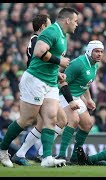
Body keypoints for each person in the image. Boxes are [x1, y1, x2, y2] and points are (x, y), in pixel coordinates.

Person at [0, 7, 79, 168]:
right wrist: (60, 62)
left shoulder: (63, 36)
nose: (77, 25)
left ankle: (47, 158)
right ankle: (2, 150)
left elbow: (48, 60)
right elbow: (39, 51)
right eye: (75, 21)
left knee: (52, 119)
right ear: (68, 20)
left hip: (50, 82)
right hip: (35, 79)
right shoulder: (51, 31)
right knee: (27, 119)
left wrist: (57, 73)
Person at [11, 13, 68, 166]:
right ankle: (40, 154)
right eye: (49, 25)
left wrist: (56, 73)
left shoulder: (39, 40)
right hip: (37, 83)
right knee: (35, 120)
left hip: (46, 82)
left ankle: (28, 153)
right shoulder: (38, 41)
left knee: (57, 120)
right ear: (43, 26)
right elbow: (36, 62)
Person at [54, 40, 104, 164]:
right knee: (74, 120)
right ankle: (61, 155)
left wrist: (88, 99)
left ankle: (75, 156)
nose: (99, 54)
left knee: (87, 124)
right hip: (63, 95)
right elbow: (62, 82)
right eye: (96, 51)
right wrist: (70, 101)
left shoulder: (95, 64)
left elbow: (85, 83)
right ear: (89, 51)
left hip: (76, 96)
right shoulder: (78, 64)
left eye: (101, 52)